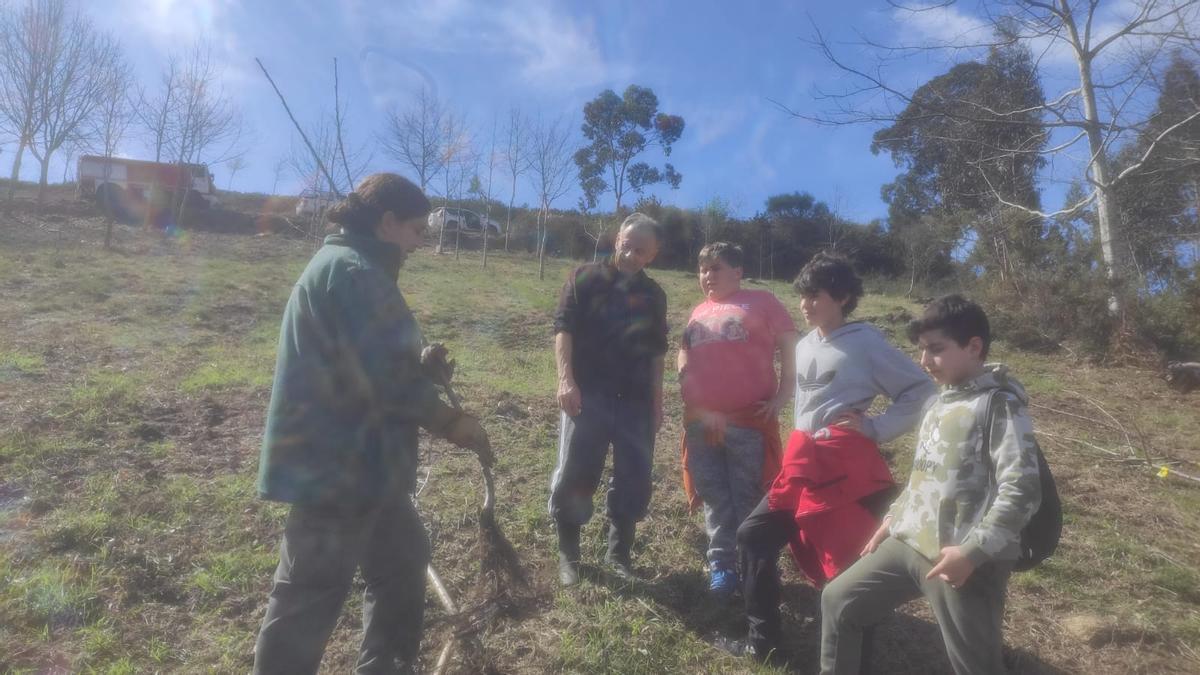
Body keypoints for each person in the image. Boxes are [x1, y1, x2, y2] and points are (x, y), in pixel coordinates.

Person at [252, 173, 492, 674]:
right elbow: (384, 381)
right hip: (338, 468)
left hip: (368, 468)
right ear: (387, 222)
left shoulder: (353, 268)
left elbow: (369, 356)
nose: (422, 239)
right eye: (416, 228)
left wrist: (421, 362)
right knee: (309, 596)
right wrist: (452, 421)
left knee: (404, 563)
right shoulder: (357, 272)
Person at [819, 295, 1042, 675]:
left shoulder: (999, 405)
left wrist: (972, 553)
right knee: (839, 600)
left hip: (962, 559)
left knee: (976, 666)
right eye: (922, 350)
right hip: (907, 541)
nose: (924, 362)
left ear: (974, 347)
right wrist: (892, 518)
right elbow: (925, 475)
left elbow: (1022, 489)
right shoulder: (936, 404)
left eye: (936, 350)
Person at [735, 252, 935, 663]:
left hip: (844, 468)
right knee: (753, 536)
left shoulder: (865, 342)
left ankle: (856, 661)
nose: (805, 304)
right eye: (802, 296)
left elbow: (920, 390)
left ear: (842, 297)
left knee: (849, 561)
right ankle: (764, 643)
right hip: (801, 463)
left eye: (815, 295)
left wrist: (876, 427)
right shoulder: (806, 343)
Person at [549, 212, 668, 586]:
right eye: (627, 245)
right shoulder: (585, 277)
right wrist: (566, 380)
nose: (631, 254)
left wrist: (657, 401)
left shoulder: (654, 295)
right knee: (577, 473)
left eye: (641, 250)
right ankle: (570, 556)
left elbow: (657, 352)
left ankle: (619, 556)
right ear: (617, 238)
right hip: (589, 394)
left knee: (633, 477)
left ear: (653, 255)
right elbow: (563, 330)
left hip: (635, 400)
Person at [677, 242, 799, 596]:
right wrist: (685, 378)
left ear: (738, 272)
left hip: (748, 421)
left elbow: (791, 350)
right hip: (701, 422)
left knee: (748, 495)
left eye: (716, 268)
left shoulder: (763, 302)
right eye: (703, 269)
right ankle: (722, 566)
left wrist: (782, 396)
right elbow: (683, 352)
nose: (707, 276)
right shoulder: (698, 310)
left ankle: (755, 567)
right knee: (715, 495)